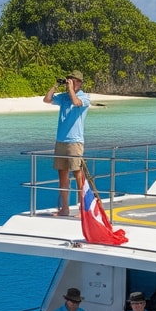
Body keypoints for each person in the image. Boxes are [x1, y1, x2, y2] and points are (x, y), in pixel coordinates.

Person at [43, 70, 93, 216]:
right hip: (61, 141)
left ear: (80, 83)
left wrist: (71, 89)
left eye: (73, 80)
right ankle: (65, 208)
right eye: (69, 80)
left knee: (78, 175)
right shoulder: (64, 97)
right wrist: (56, 85)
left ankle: (83, 209)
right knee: (62, 176)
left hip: (75, 142)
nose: (70, 82)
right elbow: (47, 99)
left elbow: (76, 102)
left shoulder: (84, 97)